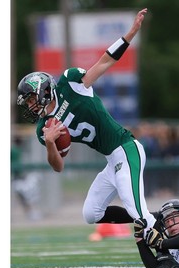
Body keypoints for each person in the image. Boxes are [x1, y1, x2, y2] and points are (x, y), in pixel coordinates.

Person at [16, 8, 157, 235]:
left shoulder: (70, 83)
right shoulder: (44, 128)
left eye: (32, 99)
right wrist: (50, 144)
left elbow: (104, 61)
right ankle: (153, 219)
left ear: (43, 92)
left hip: (126, 148)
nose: (31, 106)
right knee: (91, 213)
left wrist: (130, 34)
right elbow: (58, 166)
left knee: (136, 209)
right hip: (111, 159)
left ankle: (164, 248)